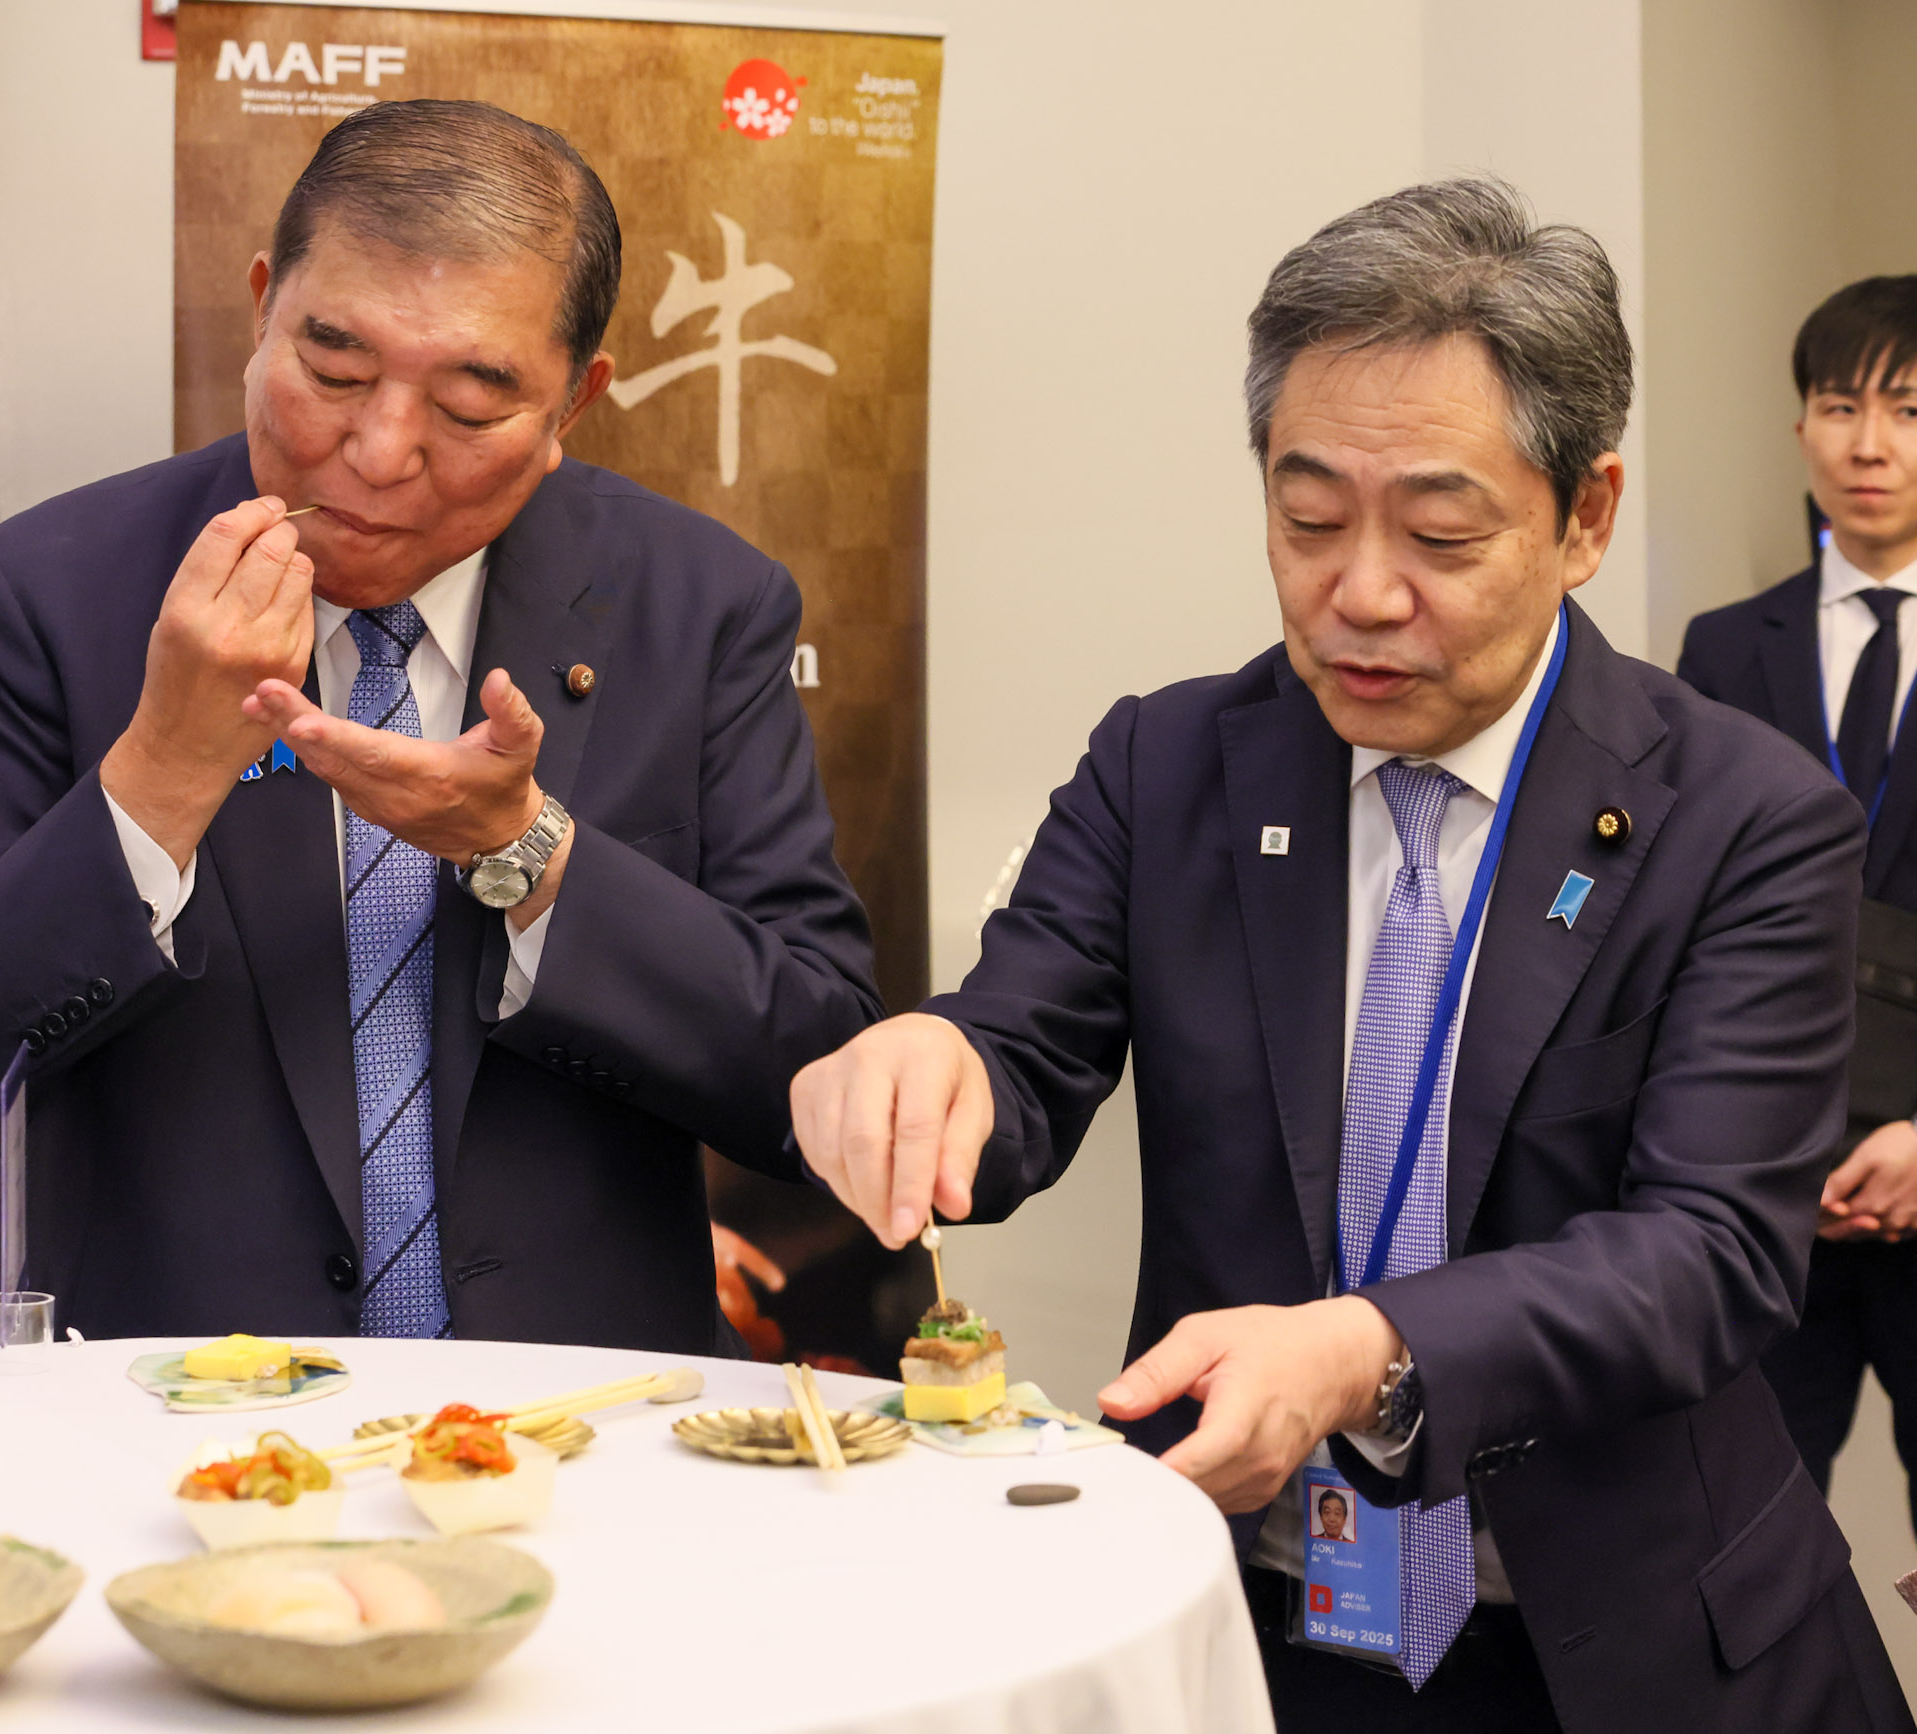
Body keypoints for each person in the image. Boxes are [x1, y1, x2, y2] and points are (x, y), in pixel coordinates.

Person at [791, 179, 1907, 1731]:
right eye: (1308, 519)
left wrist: (1370, 1348)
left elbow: (1712, 1251)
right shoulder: (1168, 764)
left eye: (1442, 533)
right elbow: (1023, 1043)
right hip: (1252, 1616)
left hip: (1636, 1642)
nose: (1361, 594)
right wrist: (939, 1060)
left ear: (1585, 517)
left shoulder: (1742, 815)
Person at [0, 100, 879, 1354]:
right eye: (333, 372)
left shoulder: (697, 607)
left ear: (572, 406)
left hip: (572, 1418)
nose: (378, 452)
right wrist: (157, 779)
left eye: (470, 406)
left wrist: (533, 857)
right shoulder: (50, 590)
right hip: (151, 1410)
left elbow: (819, 1078)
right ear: (262, 307)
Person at [1678, 277, 1917, 1518]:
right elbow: (1688, 913)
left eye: (1907, 411)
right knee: (1749, 1530)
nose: (1867, 445)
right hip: (1772, 1192)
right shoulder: (1723, 648)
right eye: (1838, 407)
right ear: (1799, 428)